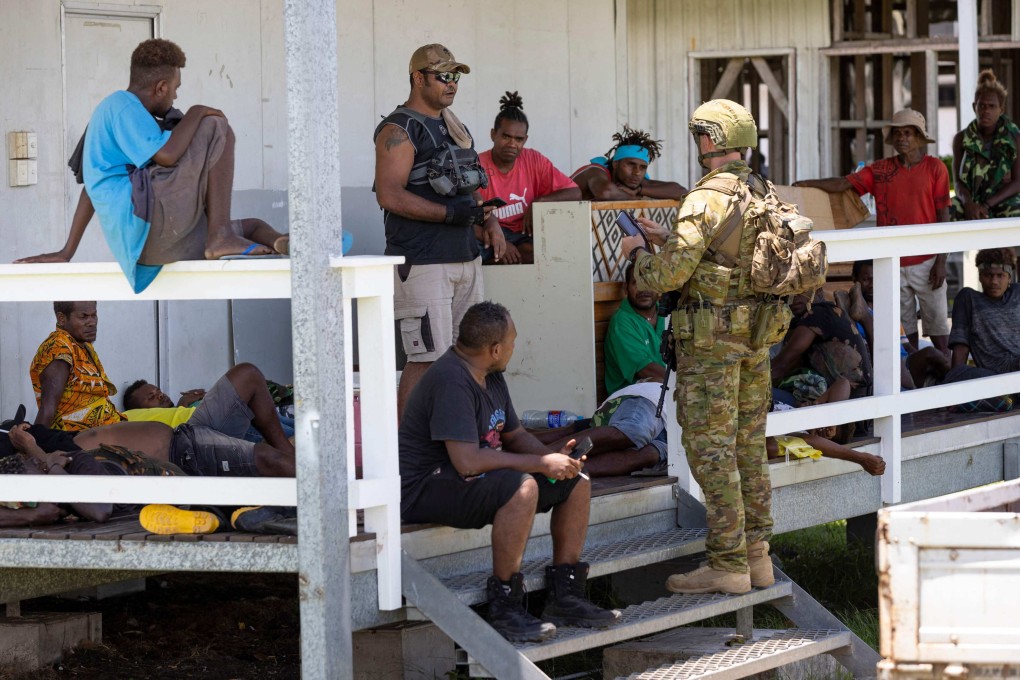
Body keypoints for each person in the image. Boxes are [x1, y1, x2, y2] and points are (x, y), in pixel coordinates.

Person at [620, 99, 785, 595]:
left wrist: (640, 256)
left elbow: (670, 274)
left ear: (710, 140)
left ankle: (727, 564)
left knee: (711, 450)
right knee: (749, 446)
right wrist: (670, 237)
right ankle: (758, 558)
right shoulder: (762, 190)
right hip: (755, 337)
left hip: (712, 344)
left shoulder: (705, 197)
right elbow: (728, 258)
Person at [399, 302, 619, 642]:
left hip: (469, 478)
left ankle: (566, 598)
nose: (515, 348)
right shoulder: (450, 380)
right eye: (513, 342)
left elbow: (514, 435)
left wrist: (553, 459)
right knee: (524, 488)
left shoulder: (491, 375)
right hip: (427, 487)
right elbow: (467, 462)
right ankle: (505, 606)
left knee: (576, 482)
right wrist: (538, 465)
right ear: (495, 349)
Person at [16, 39, 289, 292]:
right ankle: (220, 236)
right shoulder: (122, 106)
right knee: (216, 127)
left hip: (146, 245)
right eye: (175, 90)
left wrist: (67, 251)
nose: (175, 98)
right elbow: (168, 155)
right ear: (161, 87)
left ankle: (279, 242)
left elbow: (91, 185)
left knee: (253, 226)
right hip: (148, 224)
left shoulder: (116, 116)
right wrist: (196, 111)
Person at [373, 44, 505, 418]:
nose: (452, 84)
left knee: (472, 355)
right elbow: (389, 194)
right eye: (443, 76)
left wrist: (489, 220)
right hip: (424, 260)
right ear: (418, 78)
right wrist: (449, 214)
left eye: (456, 76)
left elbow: (471, 183)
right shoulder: (398, 128)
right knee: (427, 358)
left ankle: (459, 442)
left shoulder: (453, 123)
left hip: (465, 256)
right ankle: (406, 456)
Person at [795, 109, 951, 354]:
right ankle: (913, 372)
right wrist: (806, 183)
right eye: (898, 133)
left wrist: (941, 260)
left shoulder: (936, 168)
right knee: (903, 327)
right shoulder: (880, 170)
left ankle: (949, 379)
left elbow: (944, 214)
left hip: (928, 260)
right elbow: (845, 183)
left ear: (920, 137)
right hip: (893, 260)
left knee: (939, 326)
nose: (902, 138)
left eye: (908, 133)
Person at [477, 91, 581, 265]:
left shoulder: (534, 160)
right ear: (493, 134)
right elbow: (463, 220)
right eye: (505, 136)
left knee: (550, 257)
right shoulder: (476, 165)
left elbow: (575, 192)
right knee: (473, 252)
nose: (512, 144)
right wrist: (501, 244)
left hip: (522, 237)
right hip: (486, 234)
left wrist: (539, 202)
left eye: (518, 139)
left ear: (525, 140)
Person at [121, 364, 295, 442]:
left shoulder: (183, 406)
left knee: (301, 429)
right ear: (141, 411)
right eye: (151, 397)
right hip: (222, 428)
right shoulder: (129, 419)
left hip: (250, 414)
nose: (160, 395)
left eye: (158, 391)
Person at [30, 301, 124, 431]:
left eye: (94, 315)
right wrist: (31, 444)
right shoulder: (59, 346)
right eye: (83, 316)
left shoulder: (82, 345)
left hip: (106, 431)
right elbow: (48, 409)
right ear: (62, 318)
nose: (92, 322)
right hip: (81, 439)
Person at [770, 290, 873, 399]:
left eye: (802, 291)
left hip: (848, 399)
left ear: (818, 291)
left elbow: (781, 365)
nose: (794, 297)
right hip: (846, 398)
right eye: (788, 292)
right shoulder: (812, 317)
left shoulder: (819, 314)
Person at [951, 70, 1020, 221]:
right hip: (972, 200)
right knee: (949, 209)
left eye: (991, 106)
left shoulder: (1015, 137)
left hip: (1003, 199)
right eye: (981, 106)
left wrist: (987, 205)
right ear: (974, 107)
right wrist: (969, 204)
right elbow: (957, 182)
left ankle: (1007, 246)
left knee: (1015, 212)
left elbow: (1018, 181)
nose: (986, 111)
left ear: (1001, 109)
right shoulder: (961, 138)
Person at [948, 247, 1020, 377]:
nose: (994, 282)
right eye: (988, 275)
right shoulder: (969, 299)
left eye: (1000, 276)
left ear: (1009, 278)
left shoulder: (1017, 294)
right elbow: (960, 345)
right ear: (980, 277)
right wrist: (956, 378)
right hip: (991, 374)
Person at [571, 126, 686, 201]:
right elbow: (606, 192)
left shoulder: (632, 180)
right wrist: (635, 197)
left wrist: (640, 190)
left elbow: (681, 192)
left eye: (643, 167)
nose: (637, 172)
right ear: (616, 164)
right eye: (631, 164)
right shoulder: (595, 170)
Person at [604, 263, 667, 394]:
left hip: (666, 390)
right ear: (626, 289)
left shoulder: (667, 313)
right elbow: (645, 370)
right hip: (628, 398)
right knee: (659, 382)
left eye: (648, 282)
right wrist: (681, 381)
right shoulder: (622, 322)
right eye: (636, 283)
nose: (643, 289)